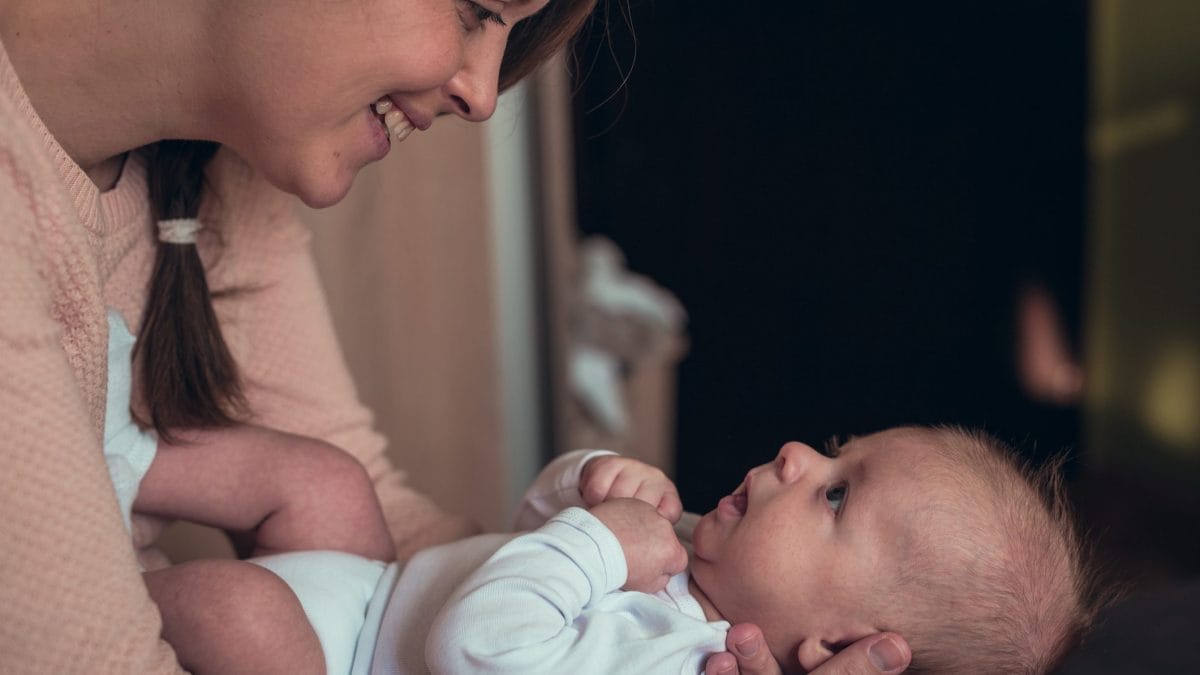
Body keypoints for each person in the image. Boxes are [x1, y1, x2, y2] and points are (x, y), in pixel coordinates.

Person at [0, 1, 903, 673]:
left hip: (379, 617)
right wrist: (588, 506)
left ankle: (122, 471)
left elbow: (409, 540)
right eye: (476, 9)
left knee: (329, 482)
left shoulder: (208, 180)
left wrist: (587, 550)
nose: (481, 92)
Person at [427, 425, 1098, 673]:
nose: (796, 453)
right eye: (838, 450)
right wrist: (591, 483)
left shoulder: (681, 657)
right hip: (383, 589)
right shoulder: (689, 547)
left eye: (837, 494)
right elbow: (521, 540)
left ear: (838, 648)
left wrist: (599, 540)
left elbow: (473, 644)